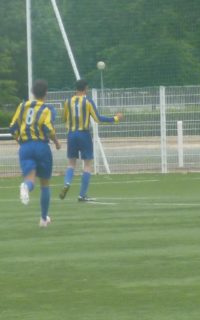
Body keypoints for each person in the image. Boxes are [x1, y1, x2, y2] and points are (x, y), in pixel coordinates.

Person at [10, 79, 62, 227]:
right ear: (46, 93)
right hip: (41, 147)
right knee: (44, 184)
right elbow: (48, 128)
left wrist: (20, 141)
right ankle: (43, 219)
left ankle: (26, 186)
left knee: (30, 179)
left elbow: (12, 127)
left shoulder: (22, 106)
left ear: (32, 92)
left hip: (25, 147)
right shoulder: (46, 109)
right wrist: (56, 142)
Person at [60, 79, 123, 201]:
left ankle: (67, 183)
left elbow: (63, 118)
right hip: (84, 134)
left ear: (76, 88)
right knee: (87, 165)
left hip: (71, 134)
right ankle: (82, 195)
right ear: (86, 88)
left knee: (71, 163)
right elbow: (98, 119)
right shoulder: (88, 101)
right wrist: (115, 118)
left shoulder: (68, 101)